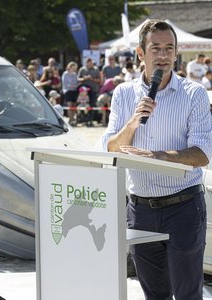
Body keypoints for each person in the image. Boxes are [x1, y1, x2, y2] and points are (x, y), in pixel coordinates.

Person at [100, 19, 212, 300]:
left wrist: (158, 157)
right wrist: (133, 122)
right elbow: (111, 148)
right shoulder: (124, 94)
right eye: (156, 48)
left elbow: (202, 154)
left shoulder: (194, 94)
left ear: (176, 53)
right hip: (140, 211)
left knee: (187, 294)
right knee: (154, 295)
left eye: (169, 48)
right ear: (141, 53)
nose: (163, 55)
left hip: (184, 208)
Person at [62, 61, 79, 125]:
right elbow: (65, 84)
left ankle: (72, 119)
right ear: (70, 67)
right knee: (69, 105)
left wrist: (72, 85)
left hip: (74, 91)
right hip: (67, 91)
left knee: (74, 106)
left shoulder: (75, 74)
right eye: (73, 67)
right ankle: (70, 119)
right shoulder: (65, 74)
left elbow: (76, 83)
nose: (74, 69)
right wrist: (72, 85)